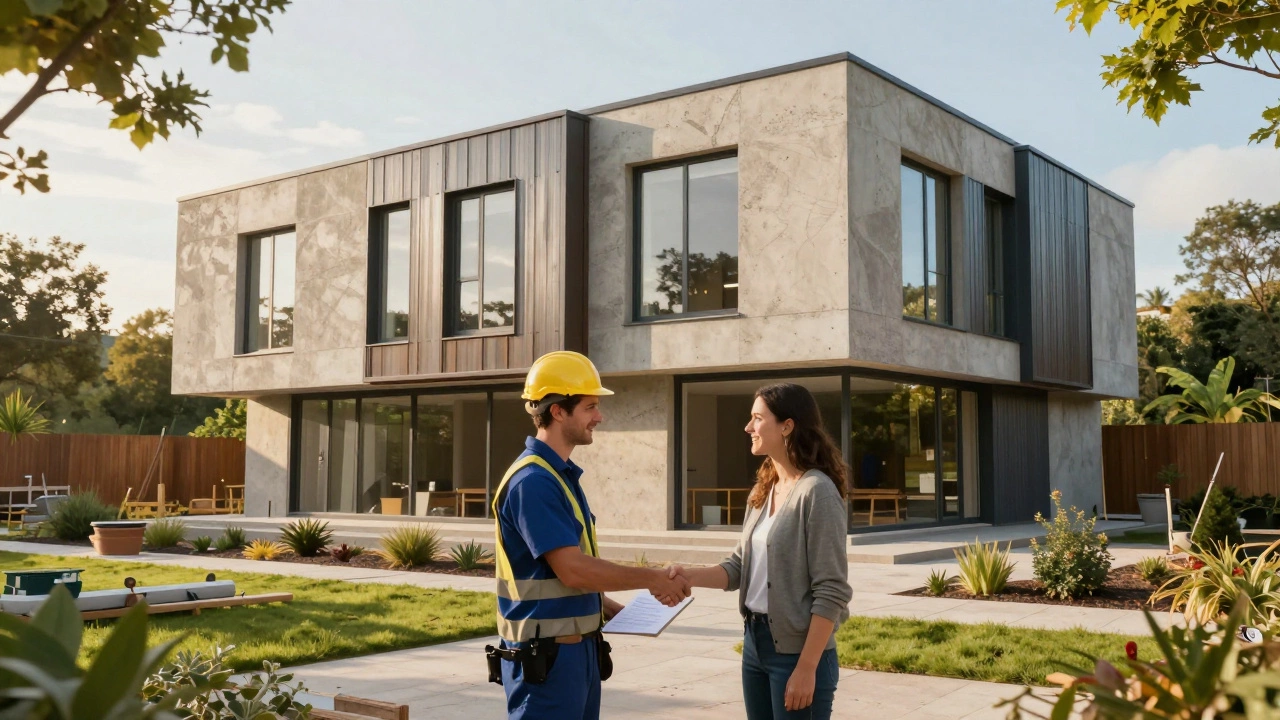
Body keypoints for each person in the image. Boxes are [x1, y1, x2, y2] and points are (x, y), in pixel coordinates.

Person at [487, 350, 691, 720]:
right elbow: (574, 570)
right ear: (558, 410)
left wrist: (609, 609)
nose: (599, 416)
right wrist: (653, 579)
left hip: (572, 655)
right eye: (590, 407)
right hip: (547, 664)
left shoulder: (559, 476)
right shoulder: (533, 482)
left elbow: (562, 579)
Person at [669, 382, 852, 719]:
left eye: (757, 418)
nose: (748, 427)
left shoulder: (817, 492)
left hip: (798, 655)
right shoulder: (764, 488)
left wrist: (806, 667)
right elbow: (739, 566)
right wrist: (687, 575)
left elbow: (832, 589)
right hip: (755, 644)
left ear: (787, 426)